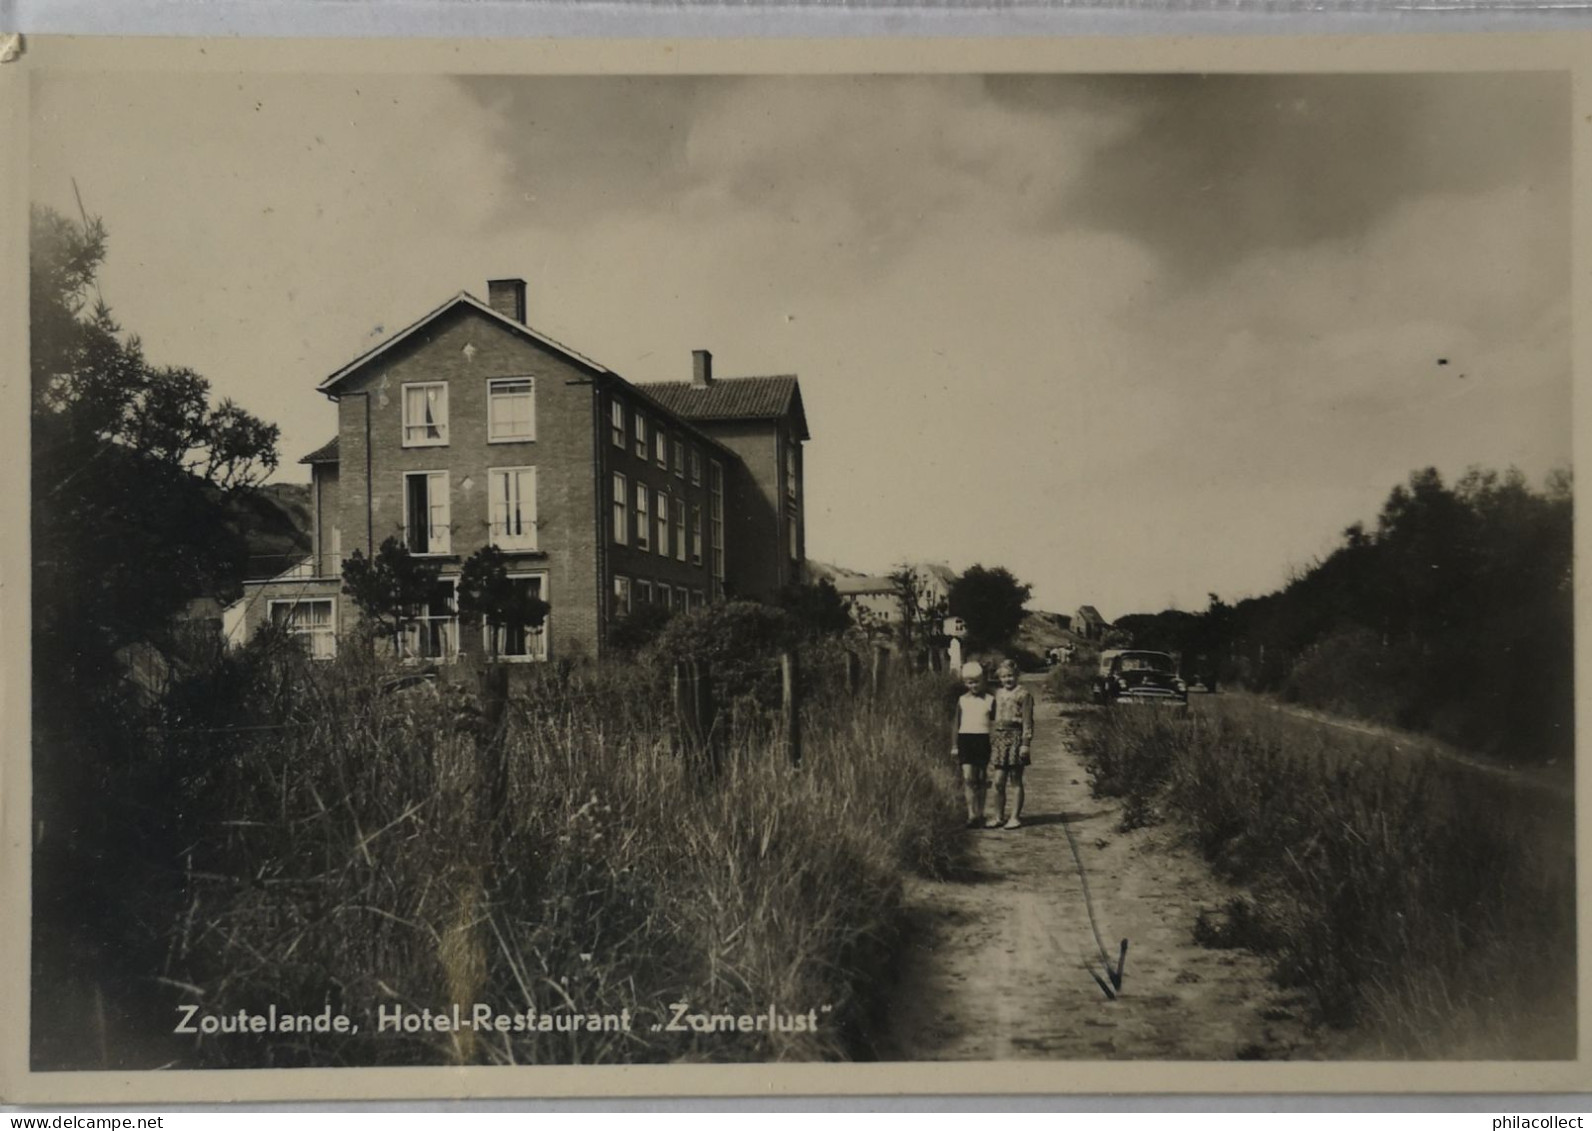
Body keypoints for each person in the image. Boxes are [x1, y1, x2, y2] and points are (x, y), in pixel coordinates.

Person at [989, 658, 1035, 829]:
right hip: (1000, 738)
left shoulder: (1024, 694)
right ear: (999, 678)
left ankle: (1015, 817)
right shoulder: (998, 694)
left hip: (1016, 737)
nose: (1007, 679)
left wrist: (1025, 743)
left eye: (1010, 676)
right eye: (1004, 676)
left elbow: (1028, 721)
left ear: (1017, 676)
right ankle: (998, 816)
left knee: (1015, 779)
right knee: (998, 780)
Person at [951, 660, 996, 828]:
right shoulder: (962, 700)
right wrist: (954, 745)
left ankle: (981, 812)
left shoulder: (990, 700)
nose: (974, 685)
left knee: (982, 778)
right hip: (965, 740)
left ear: (983, 681)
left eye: (977, 681)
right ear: (965, 683)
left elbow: (995, 722)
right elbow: (956, 723)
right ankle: (971, 814)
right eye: (970, 682)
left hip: (982, 739)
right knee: (968, 777)